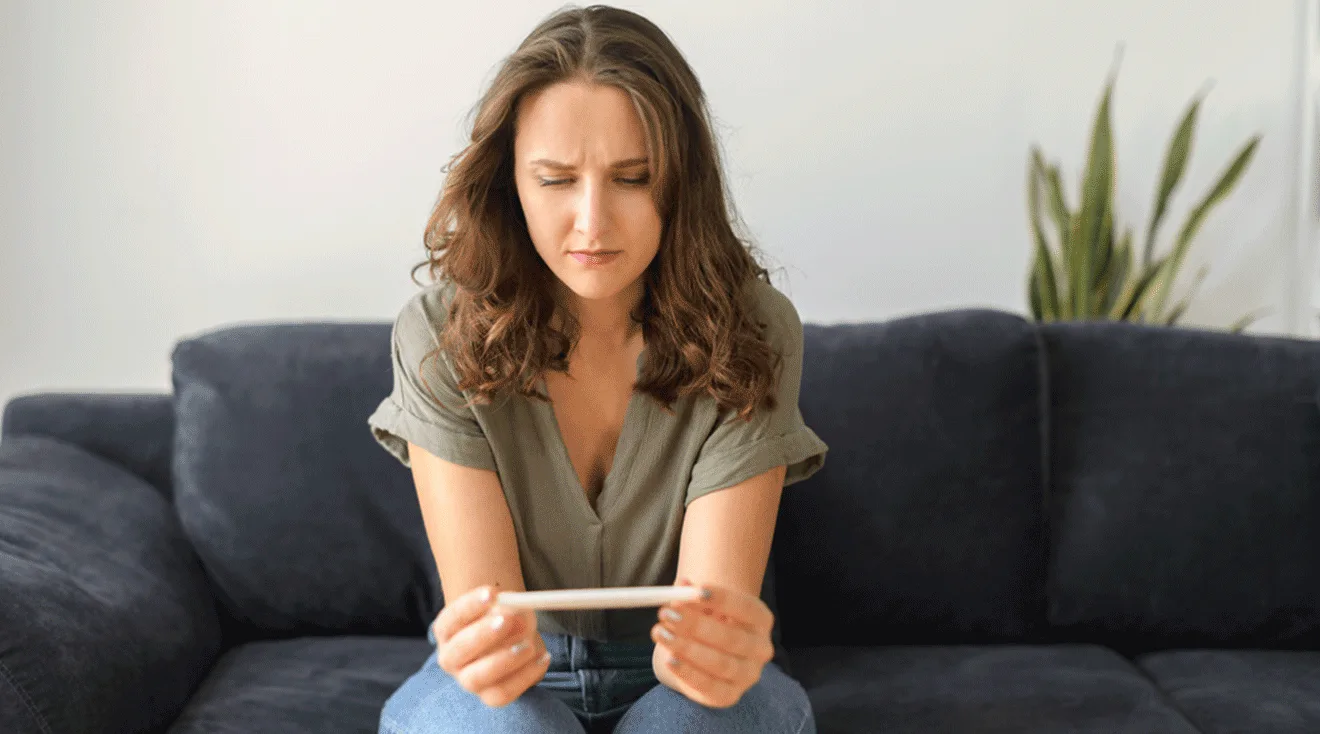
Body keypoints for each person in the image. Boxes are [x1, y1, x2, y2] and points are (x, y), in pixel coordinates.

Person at [367, 5, 828, 732]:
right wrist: (483, 655)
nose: (592, 222)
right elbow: (490, 624)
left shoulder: (755, 329)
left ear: (681, 182)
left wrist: (726, 649)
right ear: (508, 185)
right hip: (512, 674)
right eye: (554, 180)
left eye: (634, 178)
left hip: (679, 671)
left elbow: (706, 617)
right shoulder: (435, 334)